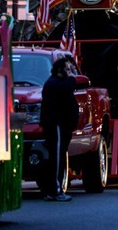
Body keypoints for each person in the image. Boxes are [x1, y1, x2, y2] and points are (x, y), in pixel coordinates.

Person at [40, 57, 80, 202]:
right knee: (55, 159)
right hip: (55, 125)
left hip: (62, 126)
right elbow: (69, 86)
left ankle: (52, 189)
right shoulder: (54, 83)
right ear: (59, 70)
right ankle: (54, 190)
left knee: (59, 157)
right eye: (68, 69)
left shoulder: (58, 83)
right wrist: (72, 77)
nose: (71, 73)